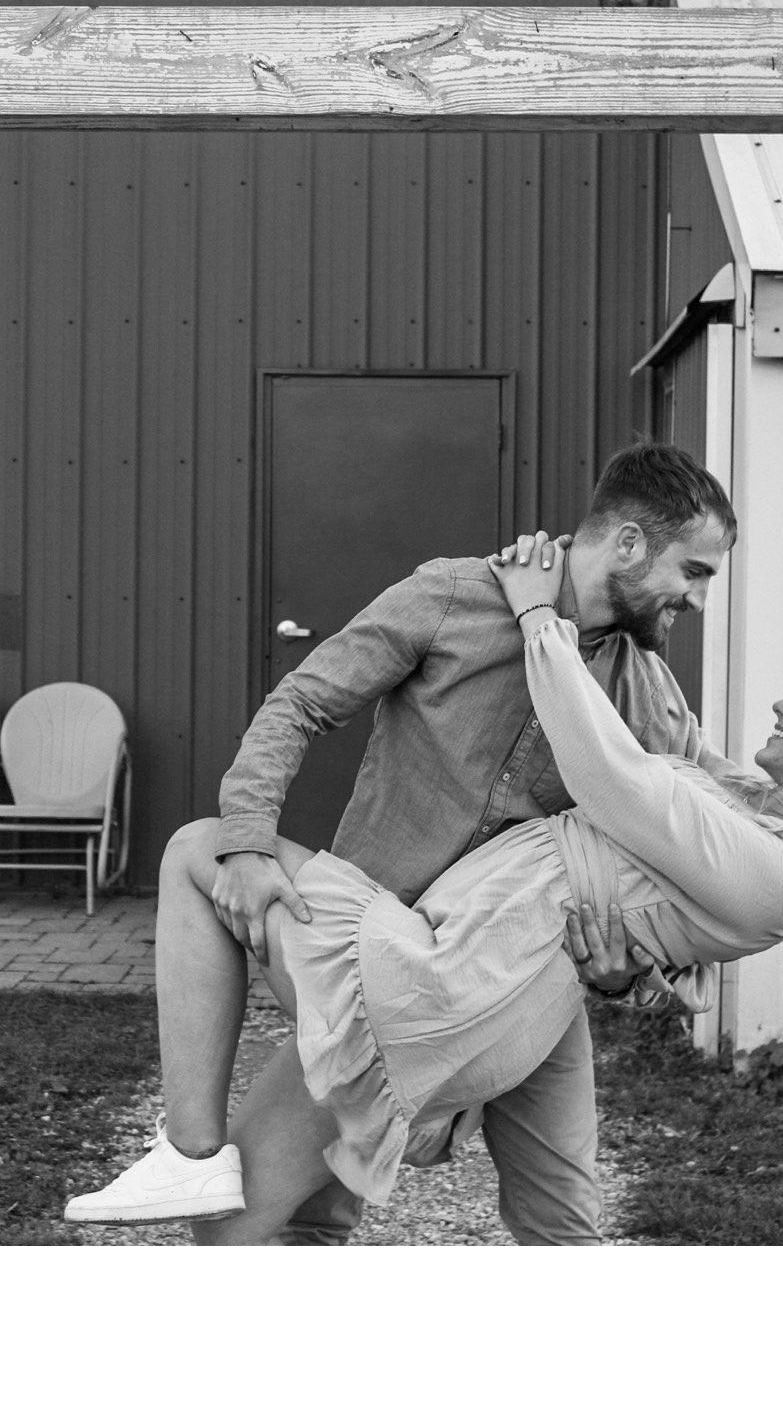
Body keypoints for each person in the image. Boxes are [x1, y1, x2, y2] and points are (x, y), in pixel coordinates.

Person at [64, 530, 783, 1241]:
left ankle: (189, 1151)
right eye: (695, 572)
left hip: (466, 976)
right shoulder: (740, 801)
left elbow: (615, 777)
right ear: (628, 544)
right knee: (537, 1225)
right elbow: (679, 820)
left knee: (196, 850)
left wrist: (534, 615)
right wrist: (632, 972)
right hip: (491, 960)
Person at [213, 440, 735, 1246]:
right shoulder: (454, 596)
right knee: (298, 1214)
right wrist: (248, 841)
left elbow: (695, 844)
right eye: (694, 571)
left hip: (530, 982)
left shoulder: (643, 689)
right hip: (374, 958)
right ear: (629, 543)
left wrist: (631, 973)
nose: (698, 598)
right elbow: (300, 704)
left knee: (565, 1230)